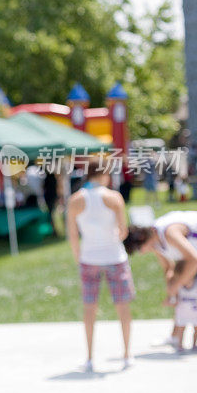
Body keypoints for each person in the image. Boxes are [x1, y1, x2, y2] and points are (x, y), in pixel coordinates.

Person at [67, 159, 133, 371]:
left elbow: (73, 235)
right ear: (105, 174)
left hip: (89, 258)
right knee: (122, 307)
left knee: (89, 309)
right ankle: (126, 354)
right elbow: (123, 231)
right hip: (115, 256)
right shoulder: (114, 197)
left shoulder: (76, 199)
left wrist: (78, 257)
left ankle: (89, 357)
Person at [124, 210, 197, 353]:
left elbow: (195, 260)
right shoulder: (155, 242)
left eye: (139, 249)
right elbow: (168, 268)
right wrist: (172, 294)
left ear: (142, 238)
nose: (141, 253)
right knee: (181, 289)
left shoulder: (169, 232)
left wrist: (175, 286)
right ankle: (175, 336)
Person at [170, 260, 197, 353]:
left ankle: (194, 344)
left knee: (196, 328)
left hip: (196, 311)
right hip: (182, 311)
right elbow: (175, 296)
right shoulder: (179, 285)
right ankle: (180, 345)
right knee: (182, 329)